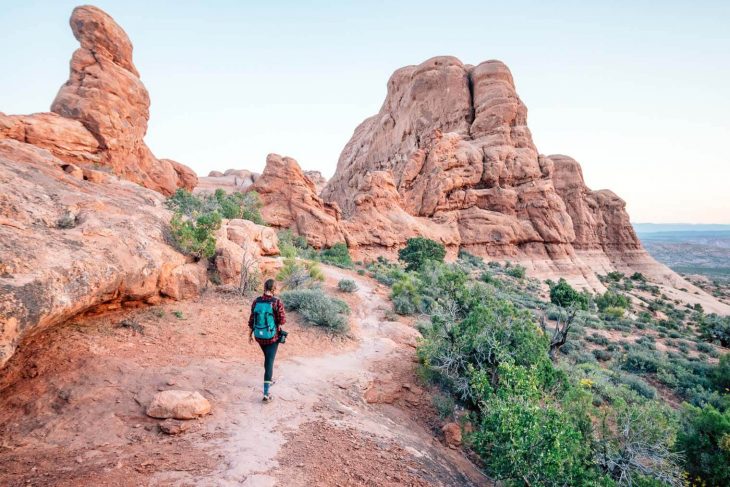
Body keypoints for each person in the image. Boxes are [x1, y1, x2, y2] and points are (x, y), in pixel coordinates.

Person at [248, 278, 286, 402]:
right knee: (269, 362)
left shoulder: (256, 301)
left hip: (259, 336)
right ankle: (266, 393)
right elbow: (282, 320)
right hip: (272, 337)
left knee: (267, 358)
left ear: (264, 288)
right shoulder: (276, 302)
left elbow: (251, 319)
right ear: (274, 289)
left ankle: (269, 379)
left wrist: (250, 335)